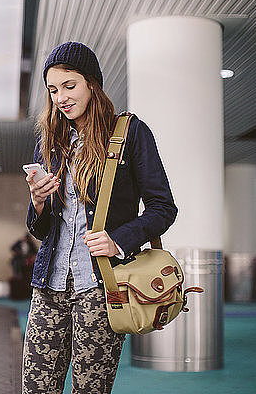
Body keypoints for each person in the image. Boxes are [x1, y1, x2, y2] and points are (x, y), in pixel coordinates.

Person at [23, 42, 177, 393]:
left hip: (101, 285)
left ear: (92, 84)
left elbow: (163, 208)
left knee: (90, 389)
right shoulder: (49, 139)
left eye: (69, 85)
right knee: (35, 388)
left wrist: (118, 240)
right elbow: (40, 229)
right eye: (52, 89)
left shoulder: (129, 133)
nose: (60, 97)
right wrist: (37, 202)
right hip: (49, 286)